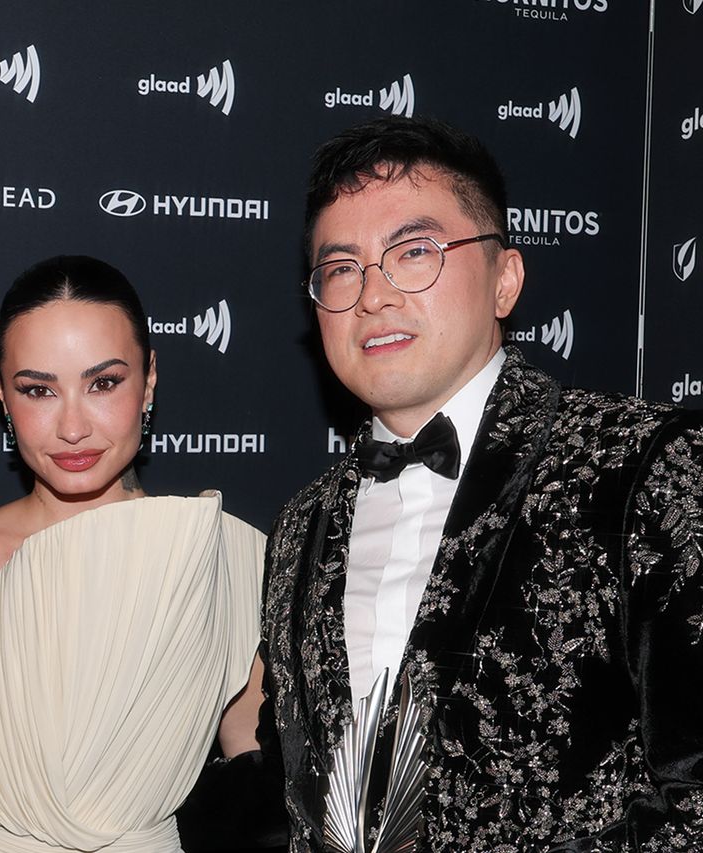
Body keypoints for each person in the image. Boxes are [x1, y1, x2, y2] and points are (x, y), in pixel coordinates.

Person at [260, 116, 703, 851]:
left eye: (413, 252)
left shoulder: (643, 465)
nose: (373, 295)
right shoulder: (300, 525)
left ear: (505, 280)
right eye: (342, 268)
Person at [0, 255, 266, 852]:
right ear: (1, 393)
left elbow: (259, 787)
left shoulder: (215, 555)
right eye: (38, 390)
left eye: (103, 383)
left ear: (149, 379)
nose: (72, 426)